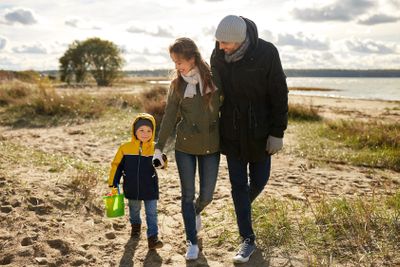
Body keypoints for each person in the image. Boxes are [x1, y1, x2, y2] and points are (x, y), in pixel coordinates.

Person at [210, 15, 288, 263]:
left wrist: (277, 132)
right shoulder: (217, 55)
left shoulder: (267, 52)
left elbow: (279, 92)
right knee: (238, 186)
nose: (220, 47)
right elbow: (215, 93)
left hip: (260, 131)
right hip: (231, 132)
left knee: (260, 180)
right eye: (219, 42)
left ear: (240, 40)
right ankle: (247, 239)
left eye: (225, 43)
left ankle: (240, 207)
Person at [153, 37, 221, 261]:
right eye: (174, 62)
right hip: (185, 147)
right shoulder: (176, 85)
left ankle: (196, 213)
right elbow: (170, 116)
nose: (176, 67)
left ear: (192, 58)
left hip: (211, 146)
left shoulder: (213, 79)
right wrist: (158, 147)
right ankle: (191, 240)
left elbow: (228, 107)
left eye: (179, 62)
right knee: (187, 195)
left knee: (208, 195)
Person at [108, 113, 165, 250]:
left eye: (149, 131)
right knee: (134, 210)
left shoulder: (155, 147)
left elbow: (162, 164)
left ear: (153, 132)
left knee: (152, 213)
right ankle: (135, 227)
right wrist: (113, 183)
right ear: (135, 131)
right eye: (141, 130)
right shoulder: (125, 147)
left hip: (150, 187)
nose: (145, 134)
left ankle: (153, 238)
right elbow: (117, 166)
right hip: (132, 187)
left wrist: (161, 161)